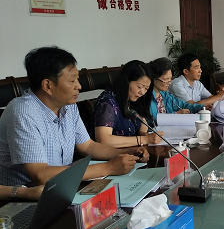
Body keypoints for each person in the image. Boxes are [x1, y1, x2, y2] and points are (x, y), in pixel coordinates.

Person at [0, 46, 146, 186]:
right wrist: (109, 168)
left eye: (77, 79)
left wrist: (127, 153)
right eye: (72, 81)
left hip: (64, 184)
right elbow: (41, 175)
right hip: (24, 194)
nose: (79, 86)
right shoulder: (23, 113)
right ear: (47, 85)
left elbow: (88, 146)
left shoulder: (68, 106)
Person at [94, 60, 164, 148]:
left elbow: (142, 120)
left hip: (132, 150)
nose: (142, 92)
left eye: (146, 88)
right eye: (139, 87)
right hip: (113, 154)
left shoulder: (132, 98)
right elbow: (103, 140)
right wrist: (143, 139)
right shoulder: (107, 103)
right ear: (126, 81)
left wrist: (143, 133)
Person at [147, 58, 205, 123]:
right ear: (154, 79)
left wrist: (202, 107)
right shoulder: (146, 98)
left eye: (170, 79)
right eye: (166, 79)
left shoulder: (165, 95)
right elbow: (150, 120)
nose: (169, 83)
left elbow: (183, 105)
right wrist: (176, 114)